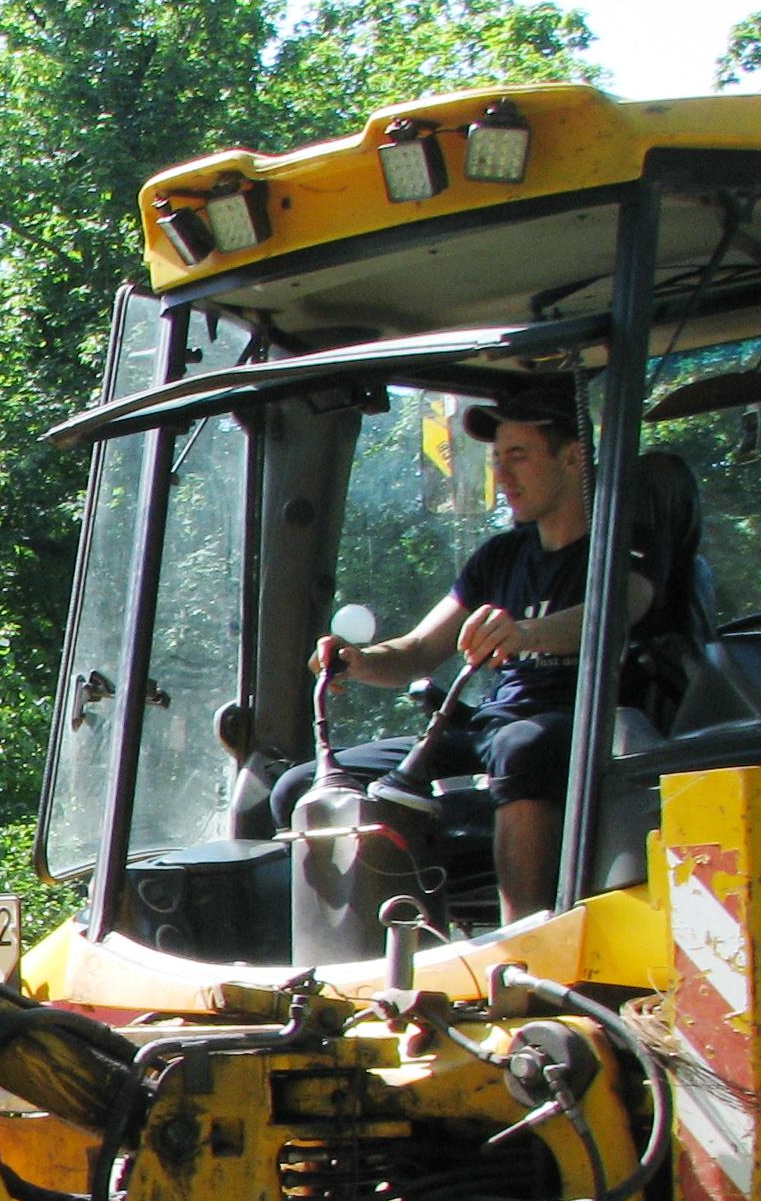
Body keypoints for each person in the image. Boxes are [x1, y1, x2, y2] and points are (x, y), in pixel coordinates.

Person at [272, 392, 652, 922]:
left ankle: (522, 952)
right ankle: (373, 946)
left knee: (522, 747)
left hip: (588, 731)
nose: (503, 476)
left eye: (518, 456)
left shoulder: (621, 546)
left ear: (572, 457)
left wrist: (525, 633)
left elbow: (613, 614)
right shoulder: (500, 556)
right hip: (490, 729)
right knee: (299, 785)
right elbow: (420, 650)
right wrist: (358, 660)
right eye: (497, 460)